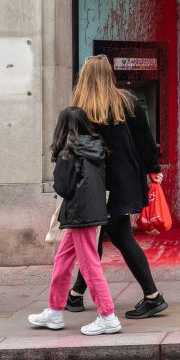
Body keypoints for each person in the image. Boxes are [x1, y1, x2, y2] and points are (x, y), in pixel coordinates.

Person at [66, 54, 169, 318]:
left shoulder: (81, 110)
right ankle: (76, 295)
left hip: (95, 184)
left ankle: (153, 296)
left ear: (85, 79)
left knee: (113, 236)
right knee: (100, 236)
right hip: (124, 181)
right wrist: (154, 170)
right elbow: (146, 141)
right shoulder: (128, 101)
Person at [28, 107, 121, 335]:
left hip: (80, 214)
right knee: (62, 258)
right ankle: (54, 311)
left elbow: (63, 187)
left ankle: (108, 316)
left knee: (89, 265)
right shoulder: (96, 147)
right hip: (90, 212)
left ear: (62, 127)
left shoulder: (68, 153)